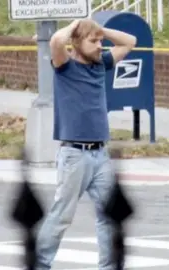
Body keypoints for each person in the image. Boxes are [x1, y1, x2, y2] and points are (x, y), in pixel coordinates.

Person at [34, 19, 137, 269]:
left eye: (100, 41)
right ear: (77, 43)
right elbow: (57, 41)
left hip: (100, 153)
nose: (100, 45)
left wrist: (100, 30)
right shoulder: (64, 66)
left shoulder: (101, 64)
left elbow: (130, 42)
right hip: (74, 154)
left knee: (110, 214)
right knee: (62, 215)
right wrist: (77, 24)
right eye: (93, 41)